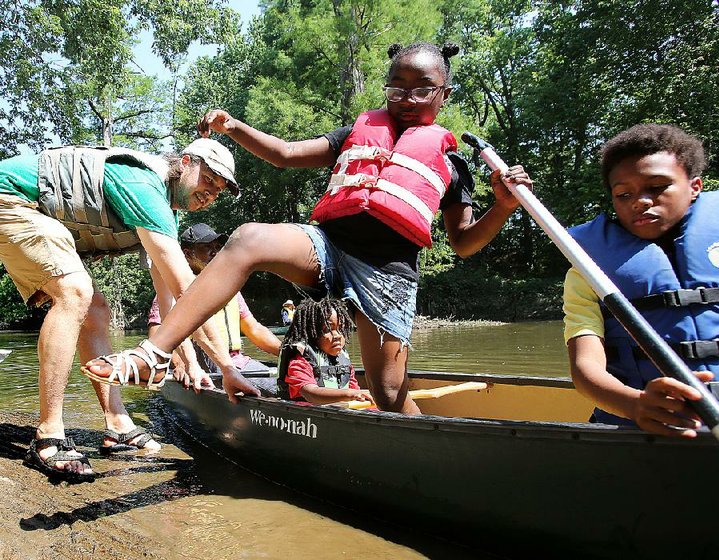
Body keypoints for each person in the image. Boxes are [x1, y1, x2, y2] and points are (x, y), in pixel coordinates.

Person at [83, 41, 533, 414]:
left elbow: (464, 243)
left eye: (422, 89)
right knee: (248, 238)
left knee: (389, 393)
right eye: (397, 88)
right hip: (328, 248)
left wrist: (503, 206)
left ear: (444, 93)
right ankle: (152, 354)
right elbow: (284, 153)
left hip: (388, 277)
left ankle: (429, 454)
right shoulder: (354, 134)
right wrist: (233, 126)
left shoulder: (452, 165)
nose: (407, 99)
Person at [0, 137, 256, 481]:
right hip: (10, 198)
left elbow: (170, 302)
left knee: (96, 310)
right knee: (74, 291)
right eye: (208, 179)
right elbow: (189, 291)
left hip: (33, 210)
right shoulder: (143, 185)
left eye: (218, 190)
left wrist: (194, 363)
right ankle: (49, 435)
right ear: (185, 163)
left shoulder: (164, 215)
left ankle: (117, 423)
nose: (209, 193)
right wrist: (226, 366)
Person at [563, 123, 719, 437]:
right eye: (624, 194)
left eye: (658, 186)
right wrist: (634, 404)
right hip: (643, 432)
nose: (641, 201)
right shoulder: (587, 272)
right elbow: (585, 370)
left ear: (695, 187)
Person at [148, 223, 282, 384]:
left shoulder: (229, 287)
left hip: (237, 362)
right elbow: (156, 338)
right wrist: (180, 362)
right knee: (281, 388)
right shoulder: (170, 291)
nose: (216, 252)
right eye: (207, 247)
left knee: (295, 379)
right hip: (205, 366)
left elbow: (254, 329)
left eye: (218, 247)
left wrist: (287, 353)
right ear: (188, 253)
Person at [277, 298, 373, 405]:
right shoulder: (299, 361)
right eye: (327, 330)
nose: (337, 335)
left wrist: (358, 394)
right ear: (311, 333)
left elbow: (354, 388)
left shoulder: (342, 358)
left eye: (341, 329)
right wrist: (350, 394)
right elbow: (310, 393)